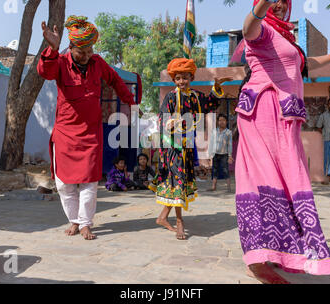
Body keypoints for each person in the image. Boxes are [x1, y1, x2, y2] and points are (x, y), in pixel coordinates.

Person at [234, 0, 330, 283]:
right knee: (265, 180)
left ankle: (277, 250)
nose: (281, 6)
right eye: (277, 1)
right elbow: (247, 28)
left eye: (285, 1)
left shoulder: (287, 40)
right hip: (262, 111)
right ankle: (257, 259)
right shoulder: (262, 33)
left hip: (286, 117)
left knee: (289, 181)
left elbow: (304, 64)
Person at [37, 15, 141, 240]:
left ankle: (85, 223)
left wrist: (132, 105)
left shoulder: (98, 64)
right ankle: (73, 220)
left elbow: (116, 81)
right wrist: (52, 48)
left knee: (89, 182)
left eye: (89, 51)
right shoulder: (61, 62)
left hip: (91, 134)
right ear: (71, 47)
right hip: (65, 133)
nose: (85, 56)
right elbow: (44, 72)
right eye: (80, 52)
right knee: (64, 184)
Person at [149, 58, 230, 240]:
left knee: (180, 183)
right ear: (174, 80)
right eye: (178, 78)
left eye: (185, 77)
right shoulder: (171, 97)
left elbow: (210, 103)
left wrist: (216, 88)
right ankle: (179, 223)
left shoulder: (195, 96)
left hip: (186, 147)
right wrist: (171, 123)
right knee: (178, 182)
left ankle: (163, 217)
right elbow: (162, 118)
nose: (181, 81)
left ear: (191, 77)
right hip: (171, 147)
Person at [208, 114, 233, 192]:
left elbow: (230, 145)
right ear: (218, 122)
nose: (221, 122)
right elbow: (211, 143)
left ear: (226, 122)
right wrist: (210, 155)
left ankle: (229, 187)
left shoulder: (228, 132)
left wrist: (230, 156)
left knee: (225, 170)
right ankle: (213, 186)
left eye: (223, 120)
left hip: (224, 154)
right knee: (214, 170)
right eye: (220, 120)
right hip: (215, 154)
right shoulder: (214, 131)